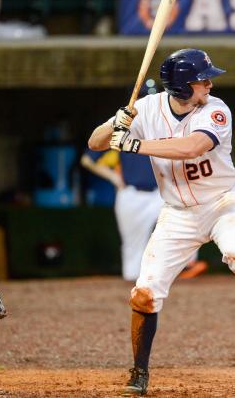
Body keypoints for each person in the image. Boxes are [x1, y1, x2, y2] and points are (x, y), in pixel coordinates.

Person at [88, 48, 235, 396]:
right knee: (144, 294)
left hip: (221, 201)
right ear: (184, 86)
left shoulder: (216, 109)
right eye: (202, 80)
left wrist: (135, 143)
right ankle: (139, 372)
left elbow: (192, 147)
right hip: (177, 214)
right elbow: (95, 143)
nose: (210, 84)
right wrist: (118, 121)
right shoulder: (148, 108)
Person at [83, 80, 208, 281]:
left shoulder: (163, 122)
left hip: (163, 192)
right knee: (133, 248)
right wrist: (114, 177)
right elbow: (89, 156)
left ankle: (185, 269)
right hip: (132, 194)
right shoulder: (123, 123)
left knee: (186, 229)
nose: (146, 100)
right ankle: (135, 287)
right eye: (142, 97)